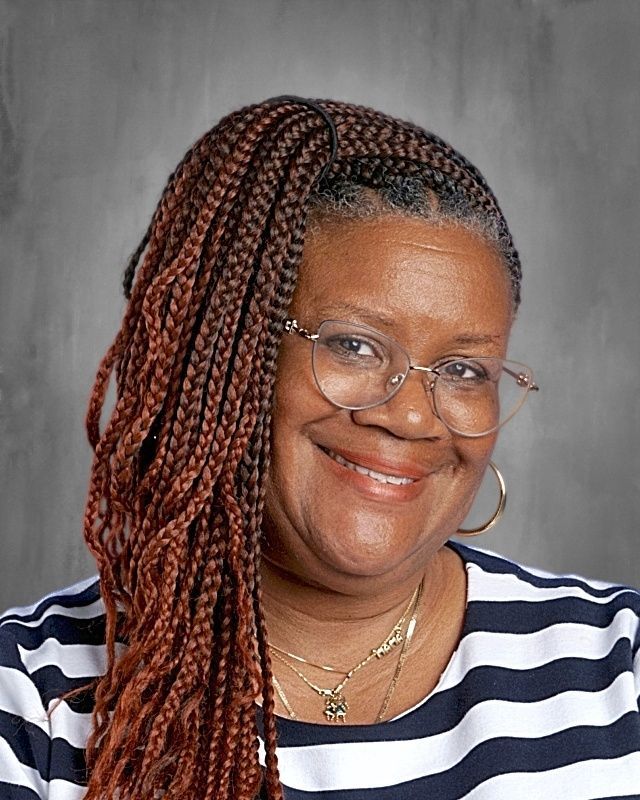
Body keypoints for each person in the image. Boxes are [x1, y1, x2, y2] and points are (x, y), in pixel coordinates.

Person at [0, 96, 638, 800]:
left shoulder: (618, 669)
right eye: (354, 345)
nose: (412, 417)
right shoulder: (32, 702)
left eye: (463, 371)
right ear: (231, 359)